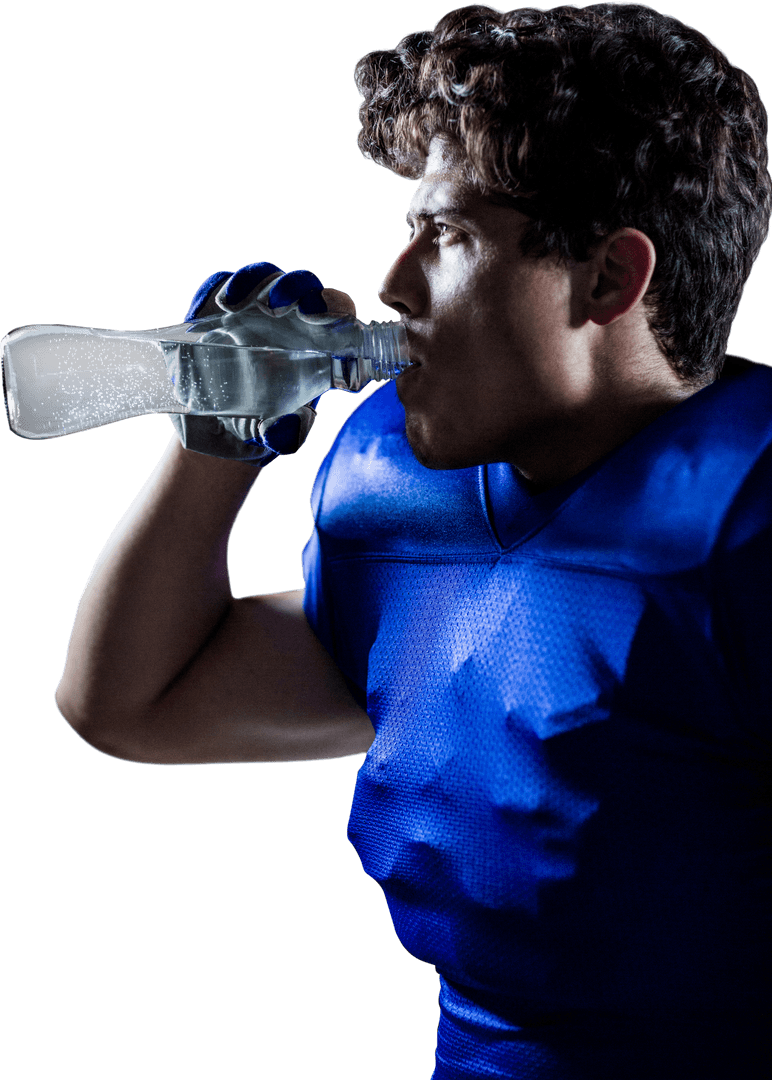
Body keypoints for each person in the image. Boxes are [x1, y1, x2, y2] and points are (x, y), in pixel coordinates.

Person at [55, 4, 771, 1078]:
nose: (392, 284)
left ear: (609, 280)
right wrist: (214, 444)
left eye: (451, 236)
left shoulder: (747, 511)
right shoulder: (403, 490)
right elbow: (132, 704)